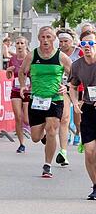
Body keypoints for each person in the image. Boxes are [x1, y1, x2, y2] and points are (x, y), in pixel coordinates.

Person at [19, 26, 73, 178]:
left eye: (49, 37)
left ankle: (47, 165)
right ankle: (44, 138)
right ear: (39, 39)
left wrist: (67, 86)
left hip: (55, 99)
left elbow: (74, 74)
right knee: (35, 137)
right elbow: (22, 71)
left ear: (54, 39)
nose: (46, 40)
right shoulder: (32, 55)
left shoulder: (61, 57)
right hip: (36, 99)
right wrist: (23, 85)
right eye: (43, 37)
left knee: (51, 130)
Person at [66, 32, 96, 199]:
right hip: (89, 110)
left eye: (91, 44)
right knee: (90, 151)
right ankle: (95, 186)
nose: (87, 47)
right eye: (84, 44)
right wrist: (75, 102)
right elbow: (72, 85)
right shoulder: (77, 65)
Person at [57, 28, 82, 163]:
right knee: (64, 118)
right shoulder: (58, 54)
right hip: (65, 88)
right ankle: (63, 152)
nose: (63, 44)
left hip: (80, 87)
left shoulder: (79, 51)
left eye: (66, 41)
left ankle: (78, 132)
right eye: (61, 41)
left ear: (72, 41)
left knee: (78, 116)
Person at [6, 36, 31, 153]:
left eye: (22, 43)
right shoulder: (13, 59)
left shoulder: (30, 58)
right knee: (18, 117)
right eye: (17, 43)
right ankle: (21, 144)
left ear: (25, 45)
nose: (19, 45)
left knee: (26, 119)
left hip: (27, 90)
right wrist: (8, 71)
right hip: (15, 90)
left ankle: (41, 132)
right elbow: (9, 77)